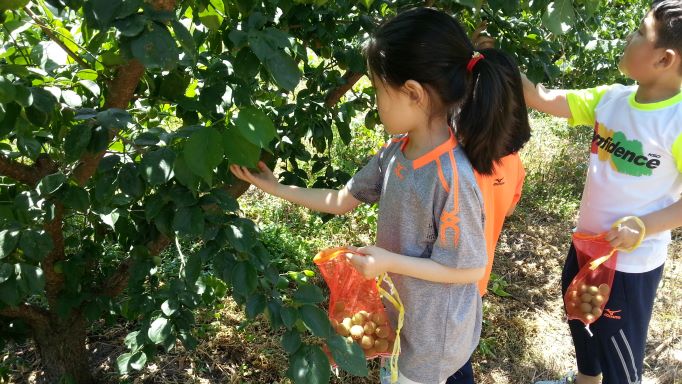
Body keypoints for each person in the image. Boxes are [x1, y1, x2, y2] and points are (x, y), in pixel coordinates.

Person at [230, 7, 531, 384]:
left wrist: (388, 260)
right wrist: (274, 187)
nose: (376, 101)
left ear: (413, 93)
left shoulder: (452, 177)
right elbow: (342, 200)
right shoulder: (396, 151)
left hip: (432, 337)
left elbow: (469, 268)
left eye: (377, 90)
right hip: (403, 316)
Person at [522, 1, 682, 383]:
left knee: (617, 348)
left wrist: (643, 225)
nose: (630, 37)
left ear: (664, 59)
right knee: (579, 313)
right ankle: (585, 379)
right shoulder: (611, 99)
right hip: (587, 246)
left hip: (629, 265)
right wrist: (498, 62)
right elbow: (542, 98)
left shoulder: (676, 121)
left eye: (640, 32)